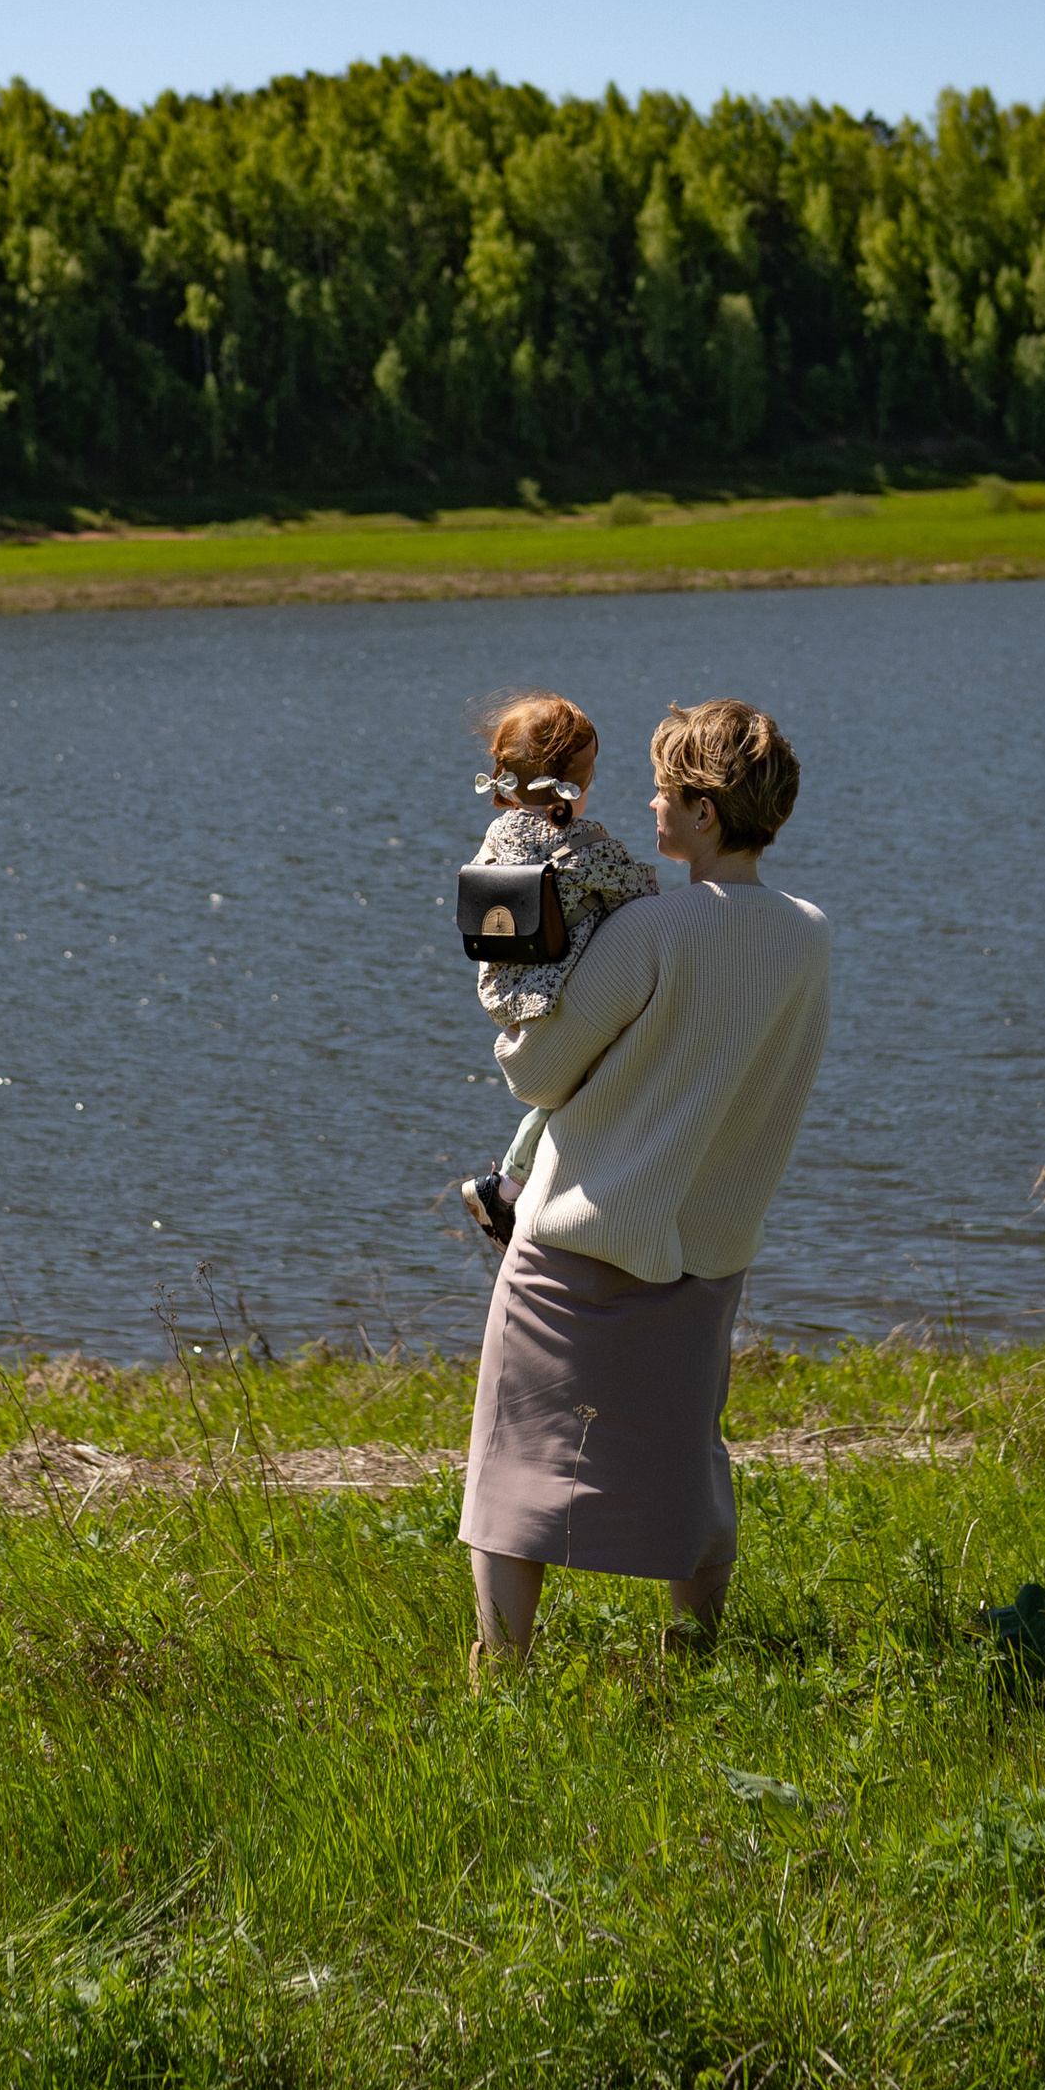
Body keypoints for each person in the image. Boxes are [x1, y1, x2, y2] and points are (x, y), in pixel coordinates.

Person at [456, 696, 830, 1682]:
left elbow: (537, 1076)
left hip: (580, 1236)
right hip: (709, 1245)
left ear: (706, 811)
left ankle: (503, 1675)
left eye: (666, 792)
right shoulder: (806, 934)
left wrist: (510, 1011)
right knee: (684, 1458)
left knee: (512, 1467)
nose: (651, 807)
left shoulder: (650, 930)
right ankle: (694, 1659)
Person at [456, 692, 660, 1248]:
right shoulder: (586, 843)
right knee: (593, 1080)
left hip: (504, 988)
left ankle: (512, 1187)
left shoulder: (500, 834)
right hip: (556, 998)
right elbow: (643, 892)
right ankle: (510, 1188)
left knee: (565, 1092)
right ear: (575, 782)